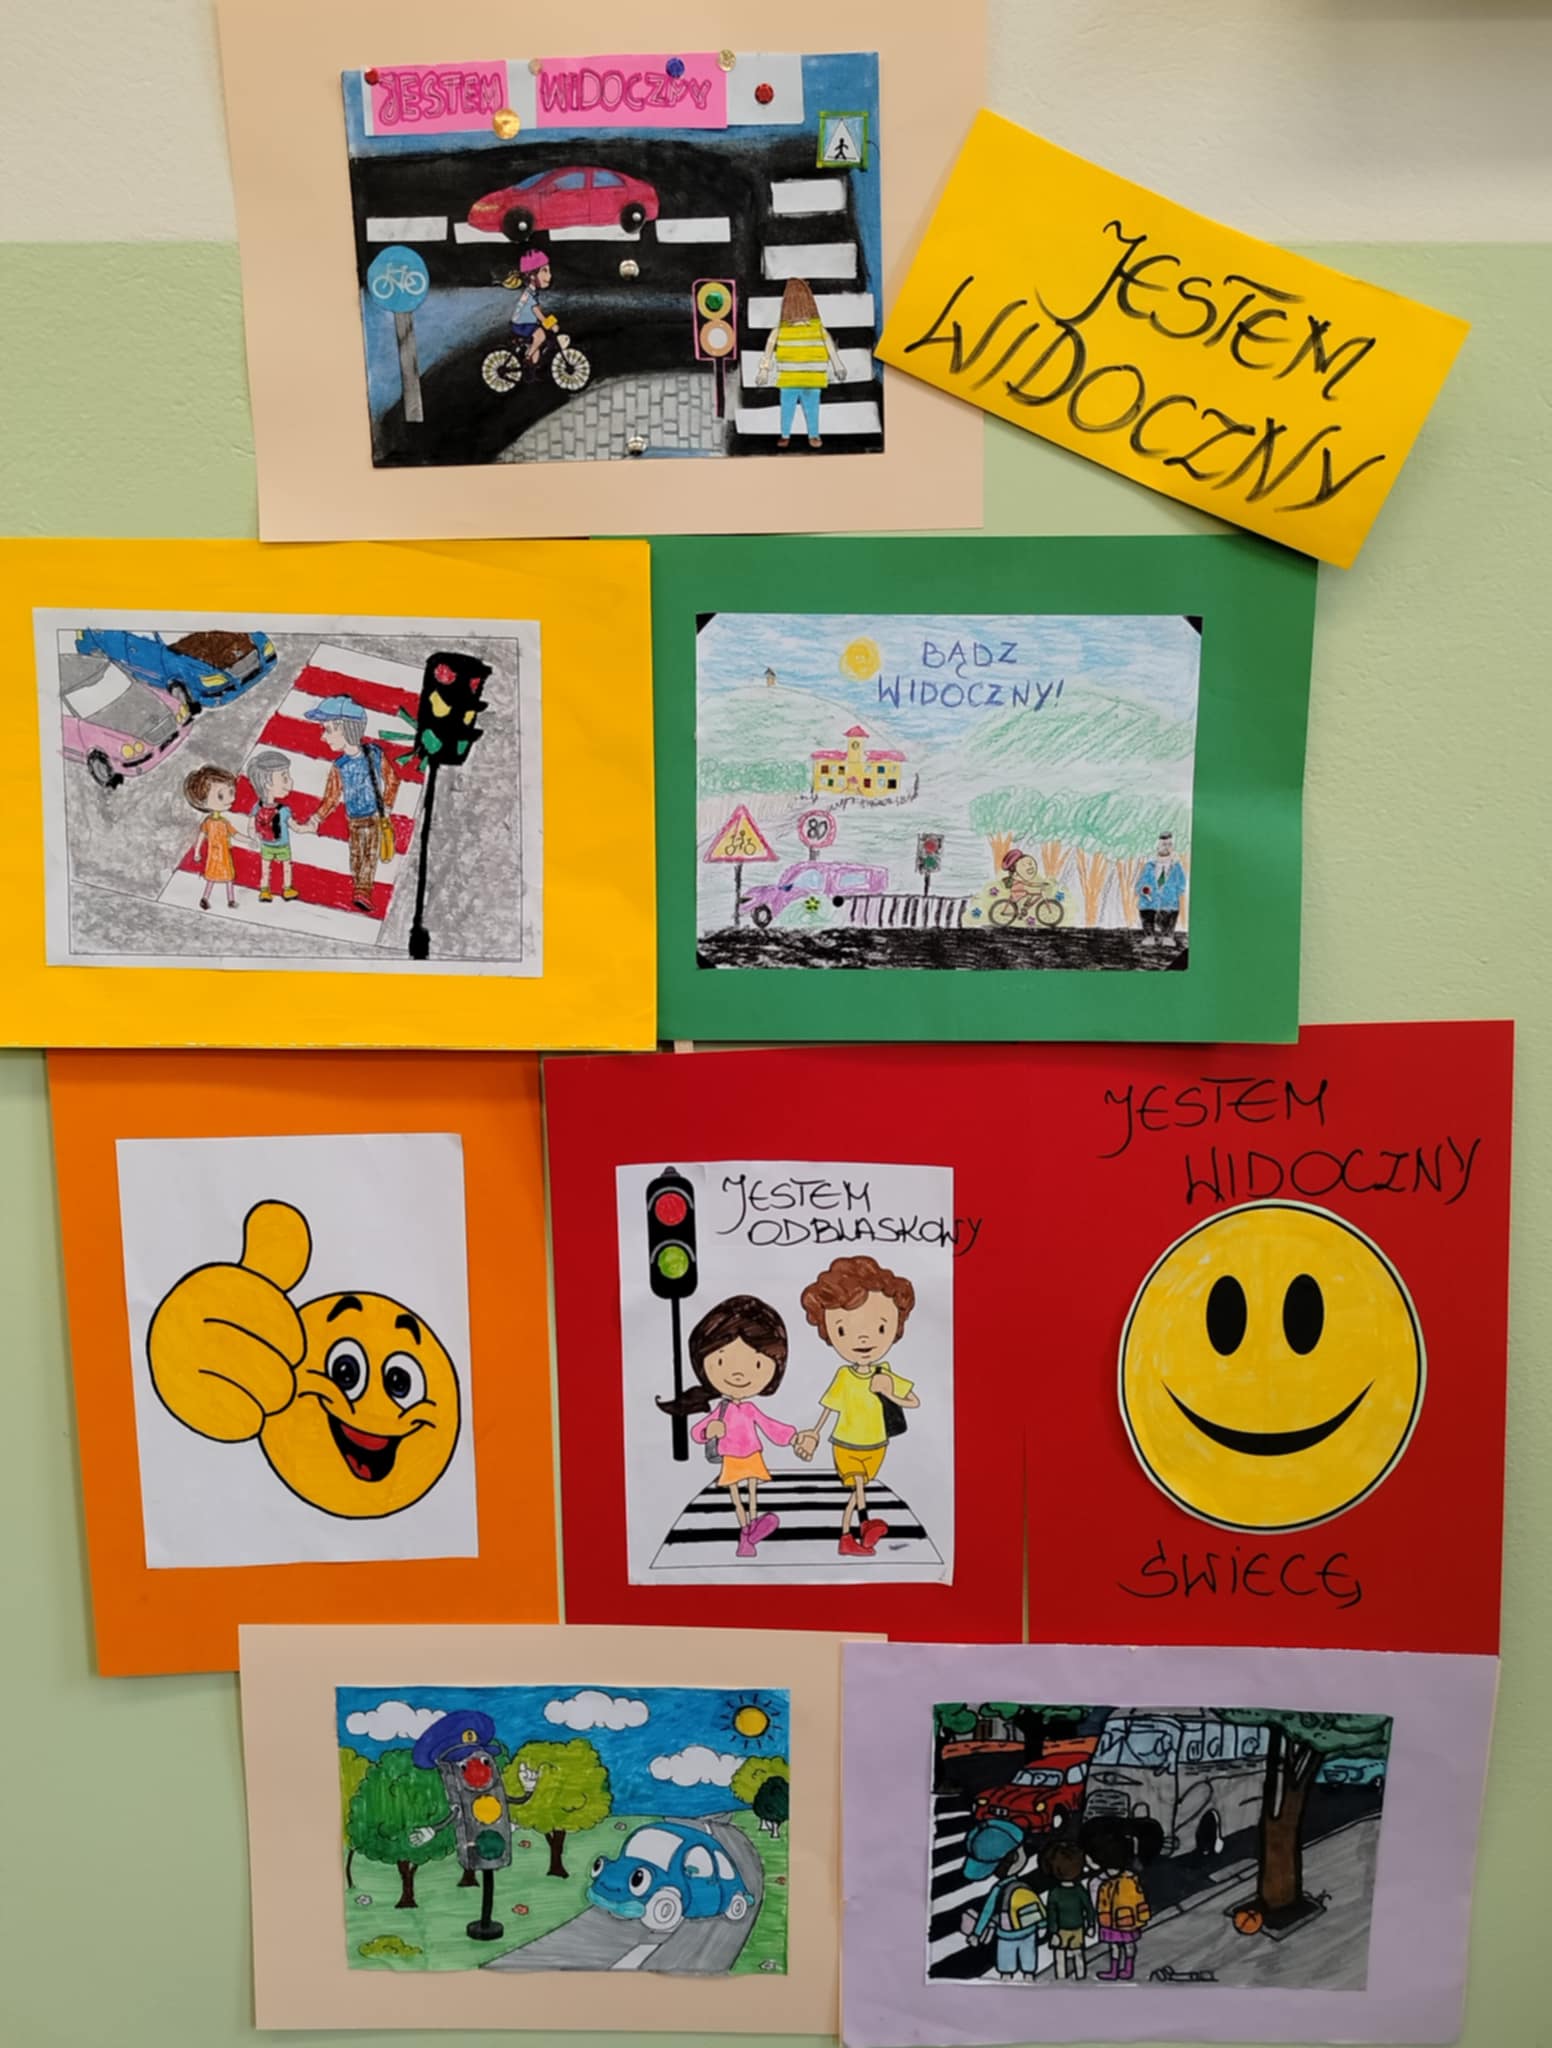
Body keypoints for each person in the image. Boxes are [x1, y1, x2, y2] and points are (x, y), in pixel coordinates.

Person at [792, 1255, 919, 1557]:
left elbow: (913, 1401)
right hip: (846, 1444)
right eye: (843, 1330)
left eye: (879, 1328)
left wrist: (890, 1392)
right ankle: (864, 1524)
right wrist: (814, 1432)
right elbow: (830, 1407)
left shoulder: (884, 1373)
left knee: (857, 1490)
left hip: (877, 1444)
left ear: (895, 1327)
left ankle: (848, 1537)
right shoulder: (844, 1376)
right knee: (859, 1485)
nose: (862, 1338)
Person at [657, 1295, 799, 1558]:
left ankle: (751, 1529)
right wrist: (708, 1431)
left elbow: (769, 1426)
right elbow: (698, 1431)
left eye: (757, 1364)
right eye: (721, 1362)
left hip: (752, 1454)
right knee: (736, 1494)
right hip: (731, 1457)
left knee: (752, 1491)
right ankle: (746, 1530)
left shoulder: (749, 1409)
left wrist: (792, 1437)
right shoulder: (722, 1409)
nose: (738, 1374)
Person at [303, 695, 402, 917]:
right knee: (357, 855)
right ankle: (360, 889)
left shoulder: (373, 753)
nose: (323, 736)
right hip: (353, 819)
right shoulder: (340, 765)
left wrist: (387, 805)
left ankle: (363, 891)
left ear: (346, 729)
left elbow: (392, 779)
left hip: (373, 816)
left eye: (328, 729)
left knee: (369, 854)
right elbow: (331, 797)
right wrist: (316, 819)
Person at [757, 276, 847, 448]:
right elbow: (768, 350)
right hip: (790, 378)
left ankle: (812, 434)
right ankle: (786, 434)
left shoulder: (817, 328)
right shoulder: (780, 329)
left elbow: (830, 347)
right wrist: (763, 370)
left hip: (810, 377)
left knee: (810, 408)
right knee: (789, 408)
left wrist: (838, 365)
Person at [962, 1818, 1046, 1983]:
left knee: (1006, 1966)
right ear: (1014, 1858)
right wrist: (1043, 1924)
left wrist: (977, 1934)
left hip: (1006, 1934)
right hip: (1028, 1931)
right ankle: (1028, 1977)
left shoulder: (998, 1889)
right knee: (1028, 1963)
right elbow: (1037, 1906)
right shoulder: (1023, 1886)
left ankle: (1008, 1981)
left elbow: (987, 1913)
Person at [1090, 1822, 1152, 1981]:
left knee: (1115, 1946)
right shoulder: (1131, 1877)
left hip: (1110, 1920)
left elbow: (1095, 1901)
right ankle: (1127, 1968)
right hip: (1128, 1919)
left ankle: (1116, 1969)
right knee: (1128, 1944)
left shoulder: (1101, 1881)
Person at [182, 762, 248, 910]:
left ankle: (231, 900)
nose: (230, 799)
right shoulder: (209, 822)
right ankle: (205, 898)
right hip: (214, 856)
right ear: (202, 802)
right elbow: (201, 836)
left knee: (228, 878)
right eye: (221, 795)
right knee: (212, 878)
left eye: (231, 792)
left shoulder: (224, 822)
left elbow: (235, 834)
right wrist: (197, 852)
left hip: (224, 855)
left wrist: (248, 839)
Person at [1039, 1837, 1098, 1978]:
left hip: (1071, 1929)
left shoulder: (1058, 1892)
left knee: (1068, 1955)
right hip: (1071, 1929)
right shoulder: (1075, 1890)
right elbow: (1088, 1908)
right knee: (1070, 1955)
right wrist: (1090, 1925)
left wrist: (1091, 1924)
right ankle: (1073, 1977)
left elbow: (1052, 1914)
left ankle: (1073, 1977)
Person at [247, 749, 300, 904]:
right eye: (284, 777)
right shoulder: (283, 810)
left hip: (266, 844)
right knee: (286, 867)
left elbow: (251, 825)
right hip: (282, 844)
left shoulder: (257, 807)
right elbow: (295, 827)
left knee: (266, 868)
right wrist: (309, 828)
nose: (290, 781)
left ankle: (265, 891)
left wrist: (253, 836)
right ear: (268, 783)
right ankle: (287, 888)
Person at [503, 247, 557, 367]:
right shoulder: (530, 294)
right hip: (523, 325)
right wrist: (551, 324)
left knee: (536, 352)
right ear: (532, 275)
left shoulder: (531, 292)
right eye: (545, 271)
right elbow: (537, 312)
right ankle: (527, 358)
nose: (549, 276)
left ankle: (529, 367)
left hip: (523, 324)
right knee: (541, 335)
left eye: (549, 271)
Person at [1137, 830, 1187, 947]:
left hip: (1168, 902)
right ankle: (1149, 936)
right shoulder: (1149, 866)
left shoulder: (1176, 867)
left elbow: (1182, 884)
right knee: (1146, 910)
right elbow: (1141, 884)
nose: (1167, 847)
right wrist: (1145, 890)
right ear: (1157, 847)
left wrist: (1172, 893)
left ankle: (1168, 936)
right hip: (1150, 901)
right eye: (1164, 844)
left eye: (1170, 845)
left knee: (1170, 912)